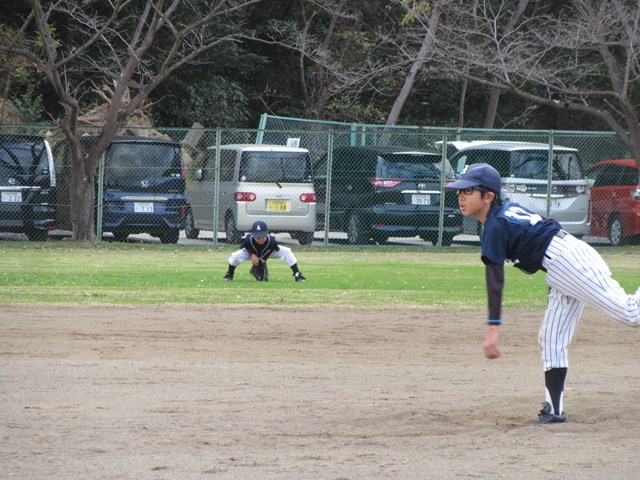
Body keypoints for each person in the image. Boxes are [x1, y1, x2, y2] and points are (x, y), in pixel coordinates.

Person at [446, 163, 640, 424]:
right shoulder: (503, 211)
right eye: (460, 191)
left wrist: (493, 329)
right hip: (561, 264)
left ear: (488, 196)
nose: (461, 196)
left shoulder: (495, 225)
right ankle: (555, 410)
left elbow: (495, 279)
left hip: (569, 262)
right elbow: (549, 224)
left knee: (630, 312)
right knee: (551, 337)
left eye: (468, 191)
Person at [223, 220, 307, 282]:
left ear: (267, 233)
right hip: (252, 252)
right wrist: (252, 255)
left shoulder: (271, 240)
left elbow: (273, 248)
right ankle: (229, 274)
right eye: (258, 237)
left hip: (269, 251)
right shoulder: (249, 239)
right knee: (236, 255)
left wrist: (263, 259)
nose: (260, 239)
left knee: (287, 251)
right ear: (253, 235)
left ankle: (297, 274)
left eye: (262, 236)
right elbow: (245, 247)